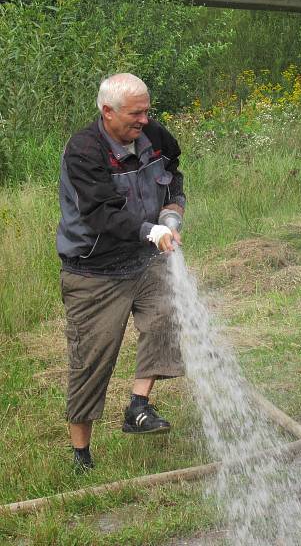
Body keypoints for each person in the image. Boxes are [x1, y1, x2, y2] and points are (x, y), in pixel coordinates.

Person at [56, 73, 186, 471]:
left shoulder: (156, 137)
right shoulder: (83, 152)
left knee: (166, 316)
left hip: (144, 261)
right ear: (107, 111)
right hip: (94, 271)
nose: (144, 120)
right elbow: (100, 216)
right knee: (92, 359)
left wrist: (171, 213)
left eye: (147, 110)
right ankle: (81, 456)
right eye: (136, 113)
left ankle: (138, 407)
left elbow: (174, 176)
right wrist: (151, 230)